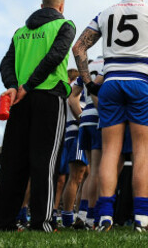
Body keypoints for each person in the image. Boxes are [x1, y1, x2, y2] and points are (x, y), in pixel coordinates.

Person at [72, 0, 148, 232]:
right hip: (141, 82)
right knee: (142, 153)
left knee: (110, 152)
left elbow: (78, 48)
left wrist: (88, 83)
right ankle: (141, 219)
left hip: (110, 83)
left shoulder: (104, 13)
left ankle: (105, 216)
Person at [0, 0, 76, 232]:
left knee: (12, 163)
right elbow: (55, 56)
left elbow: (5, 64)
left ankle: (2, 222)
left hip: (18, 100)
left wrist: (13, 87)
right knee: (45, 162)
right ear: (61, 7)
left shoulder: (20, 32)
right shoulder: (64, 25)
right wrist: (29, 86)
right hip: (48, 96)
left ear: (42, 6)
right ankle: (42, 223)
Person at [72, 57, 104, 229]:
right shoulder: (109, 64)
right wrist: (104, 113)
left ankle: (82, 214)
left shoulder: (89, 66)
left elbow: (72, 97)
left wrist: (80, 115)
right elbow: (96, 92)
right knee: (98, 172)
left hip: (85, 120)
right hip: (99, 119)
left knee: (91, 171)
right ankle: (92, 216)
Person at [60, 69, 89, 228]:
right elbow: (73, 102)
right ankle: (67, 218)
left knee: (88, 175)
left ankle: (82, 216)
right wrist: (82, 120)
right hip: (77, 131)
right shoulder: (73, 89)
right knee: (76, 176)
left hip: (76, 132)